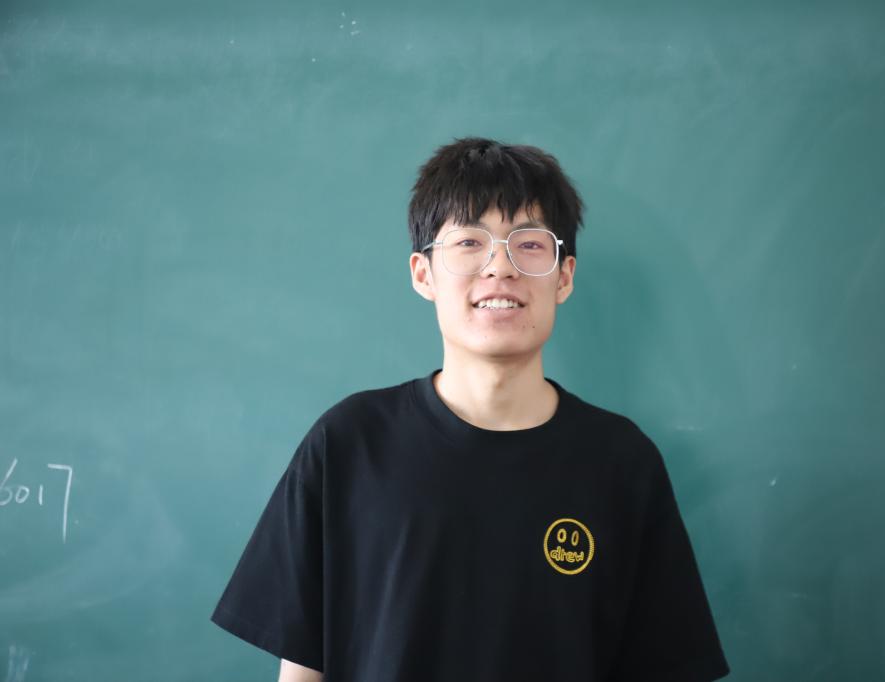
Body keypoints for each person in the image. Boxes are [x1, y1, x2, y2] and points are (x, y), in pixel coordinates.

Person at [210, 136, 730, 682]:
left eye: (529, 244)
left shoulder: (623, 462)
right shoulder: (349, 443)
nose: (499, 266)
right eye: (468, 242)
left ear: (565, 276)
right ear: (423, 273)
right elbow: (302, 669)